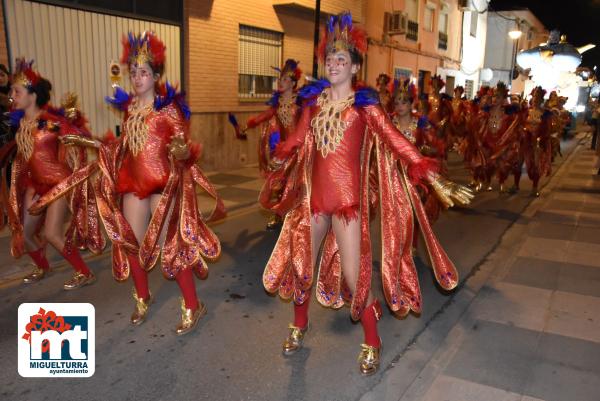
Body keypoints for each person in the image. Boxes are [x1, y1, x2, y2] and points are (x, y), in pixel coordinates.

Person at [260, 12, 473, 375]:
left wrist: (431, 175)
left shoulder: (365, 107)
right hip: (314, 203)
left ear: (355, 67)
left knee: (356, 277)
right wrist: (279, 156)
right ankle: (299, 324)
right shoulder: (312, 104)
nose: (334, 63)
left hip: (348, 206)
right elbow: (296, 142)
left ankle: (372, 340)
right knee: (301, 267)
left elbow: (394, 142)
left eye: (342, 59)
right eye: (329, 58)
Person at [47, 32, 225, 334]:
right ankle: (142, 297)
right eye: (134, 72)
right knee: (132, 244)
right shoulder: (130, 109)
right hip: (133, 185)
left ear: (156, 75)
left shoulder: (168, 108)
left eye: (144, 72)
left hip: (164, 188)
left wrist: (182, 150)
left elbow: (185, 151)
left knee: (172, 247)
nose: (138, 77)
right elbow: (121, 148)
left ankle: (193, 306)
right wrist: (87, 140)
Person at [4, 59, 103, 288]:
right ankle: (43, 266)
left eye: (17, 91)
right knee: (25, 233)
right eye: (11, 91)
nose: (12, 95)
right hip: (35, 184)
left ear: (33, 96)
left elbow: (79, 136)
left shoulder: (50, 123)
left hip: (59, 184)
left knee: (51, 233)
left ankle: (85, 272)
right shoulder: (20, 124)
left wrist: (100, 145)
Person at [235, 59, 303, 229]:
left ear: (293, 83)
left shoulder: (301, 103)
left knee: (296, 185)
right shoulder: (277, 103)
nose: (281, 82)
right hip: (281, 150)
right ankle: (278, 215)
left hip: (299, 150)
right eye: (280, 79)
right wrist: (246, 126)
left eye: (285, 79)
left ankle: (294, 216)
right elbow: (263, 116)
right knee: (278, 183)